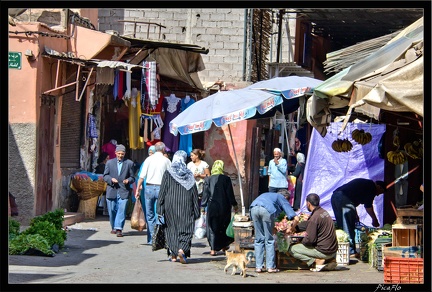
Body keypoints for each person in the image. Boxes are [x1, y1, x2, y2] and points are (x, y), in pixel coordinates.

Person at [157, 150, 200, 264]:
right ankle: (182, 249)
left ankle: (174, 254)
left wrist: (159, 208)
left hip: (170, 205)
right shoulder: (189, 174)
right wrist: (196, 210)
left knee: (171, 229)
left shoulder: (168, 173)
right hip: (186, 205)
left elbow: (162, 192)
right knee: (186, 228)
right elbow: (194, 193)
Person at [331, 178, 386, 257]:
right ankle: (351, 251)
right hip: (344, 199)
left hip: (335, 197)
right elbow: (368, 207)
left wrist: (355, 214)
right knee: (348, 225)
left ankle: (341, 249)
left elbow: (352, 197)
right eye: (381, 193)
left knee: (342, 225)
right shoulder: (371, 187)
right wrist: (374, 219)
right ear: (379, 187)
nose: (378, 195)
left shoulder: (365, 183)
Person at [249, 189, 299, 273]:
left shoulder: (268, 195)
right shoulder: (281, 197)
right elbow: (293, 215)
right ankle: (270, 267)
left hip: (253, 208)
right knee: (269, 239)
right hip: (266, 210)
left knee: (259, 238)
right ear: (285, 197)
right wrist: (292, 227)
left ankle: (258, 267)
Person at [289, 193, 339, 272]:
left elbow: (310, 240)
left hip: (324, 251)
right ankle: (329, 260)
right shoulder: (323, 212)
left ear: (308, 203)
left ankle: (316, 261)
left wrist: (300, 241)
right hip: (333, 250)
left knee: (292, 249)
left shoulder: (314, 218)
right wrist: (296, 228)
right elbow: (308, 224)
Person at [135, 141, 171, 245]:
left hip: (149, 188)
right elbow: (170, 176)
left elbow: (141, 177)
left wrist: (137, 189)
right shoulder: (166, 161)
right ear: (163, 149)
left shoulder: (148, 159)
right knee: (160, 214)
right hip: (161, 188)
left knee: (149, 214)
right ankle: (160, 238)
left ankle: (152, 239)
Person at [201, 160, 239, 256]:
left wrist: (203, 206)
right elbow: (230, 194)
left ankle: (213, 249)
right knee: (223, 226)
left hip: (212, 206)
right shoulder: (226, 179)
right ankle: (223, 246)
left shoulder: (208, 179)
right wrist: (234, 205)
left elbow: (205, 194)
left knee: (213, 227)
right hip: (224, 207)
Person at [103, 144, 136, 237]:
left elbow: (132, 177)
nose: (120, 156)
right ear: (115, 153)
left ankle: (119, 228)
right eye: (119, 153)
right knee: (112, 210)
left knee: (121, 209)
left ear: (125, 154)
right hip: (112, 190)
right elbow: (105, 176)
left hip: (123, 191)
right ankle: (114, 227)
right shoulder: (109, 163)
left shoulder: (129, 163)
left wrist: (127, 180)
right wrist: (111, 179)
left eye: (122, 154)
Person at [136, 145, 157, 232]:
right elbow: (140, 176)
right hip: (146, 189)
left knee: (155, 212)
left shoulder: (159, 162)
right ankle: (151, 236)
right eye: (149, 153)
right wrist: (139, 186)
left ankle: (155, 235)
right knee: (148, 212)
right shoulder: (146, 162)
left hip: (155, 188)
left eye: (152, 153)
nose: (150, 154)